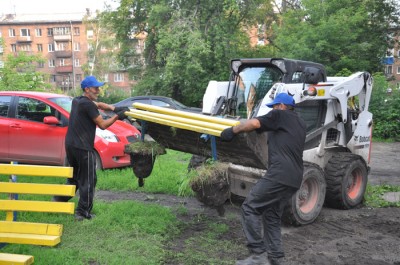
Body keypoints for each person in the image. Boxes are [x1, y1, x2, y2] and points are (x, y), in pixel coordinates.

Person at [220, 93, 306, 265]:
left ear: (281, 106)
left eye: (274, 106)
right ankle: (276, 258)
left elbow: (255, 123)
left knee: (250, 208)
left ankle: (258, 254)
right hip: (295, 177)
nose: (272, 109)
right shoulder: (300, 123)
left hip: (279, 174)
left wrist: (232, 130)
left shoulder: (279, 115)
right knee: (272, 215)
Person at [53, 76, 129, 221]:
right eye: (96, 88)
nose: (98, 90)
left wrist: (113, 108)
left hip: (71, 145)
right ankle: (82, 212)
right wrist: (118, 116)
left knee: (74, 177)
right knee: (89, 179)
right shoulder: (87, 105)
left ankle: (58, 200)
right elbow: (103, 125)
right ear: (87, 89)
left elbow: (98, 104)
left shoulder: (77, 100)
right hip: (82, 147)